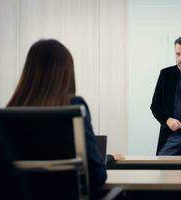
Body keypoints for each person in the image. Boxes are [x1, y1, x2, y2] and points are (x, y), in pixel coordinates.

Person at [6, 39, 106, 199]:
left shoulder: (7, 114)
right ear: (67, 73)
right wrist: (105, 162)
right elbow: (96, 176)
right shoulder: (74, 107)